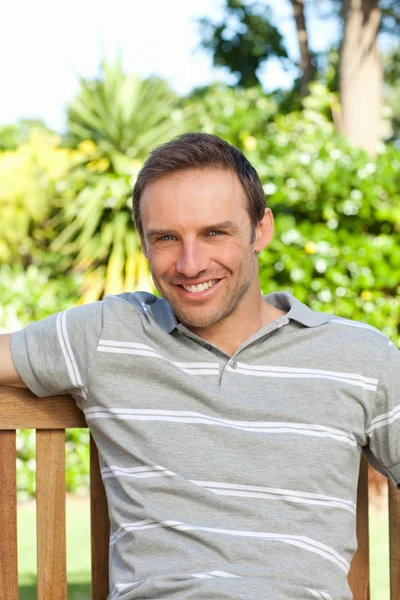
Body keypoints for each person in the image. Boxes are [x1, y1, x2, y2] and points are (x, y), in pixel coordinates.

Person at [1, 132, 399, 600]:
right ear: (144, 245)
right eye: (166, 238)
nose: (190, 264)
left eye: (215, 232)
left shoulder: (358, 355)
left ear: (261, 230)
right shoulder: (110, 333)